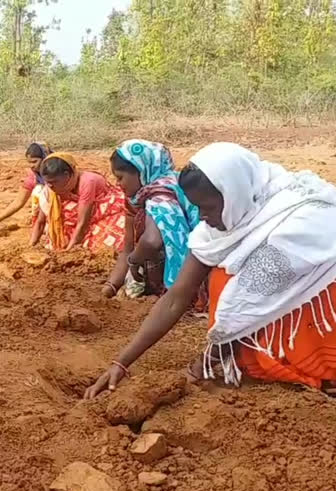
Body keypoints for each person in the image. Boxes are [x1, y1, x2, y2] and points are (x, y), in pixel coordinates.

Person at [85, 143, 336, 399]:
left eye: (208, 207)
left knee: (229, 283)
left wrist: (200, 367)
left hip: (323, 309)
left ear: (234, 193)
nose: (202, 217)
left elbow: (246, 303)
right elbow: (175, 298)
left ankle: (320, 366)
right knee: (223, 280)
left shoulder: (297, 215)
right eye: (197, 207)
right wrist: (121, 362)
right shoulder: (221, 221)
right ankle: (274, 361)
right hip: (284, 317)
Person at [102, 140, 200, 300]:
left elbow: (151, 241)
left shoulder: (160, 196)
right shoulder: (136, 198)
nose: (117, 184)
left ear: (141, 172)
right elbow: (127, 250)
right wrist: (110, 287)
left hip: (181, 282)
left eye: (120, 177)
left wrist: (134, 261)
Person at [31, 152, 127, 252]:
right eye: (47, 182)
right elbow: (40, 221)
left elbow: (82, 223)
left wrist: (68, 251)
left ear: (66, 175)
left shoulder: (87, 182)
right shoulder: (50, 188)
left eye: (53, 182)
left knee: (106, 240)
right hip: (82, 213)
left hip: (103, 211)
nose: (50, 186)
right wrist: (31, 246)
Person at [0, 142, 52, 230]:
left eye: (35, 162)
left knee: (41, 191)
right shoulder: (34, 175)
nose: (31, 166)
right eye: (29, 162)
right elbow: (18, 202)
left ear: (44, 158)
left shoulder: (58, 169)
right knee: (38, 191)